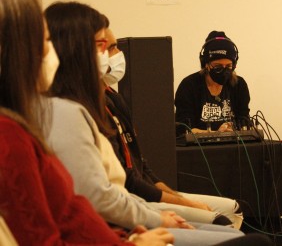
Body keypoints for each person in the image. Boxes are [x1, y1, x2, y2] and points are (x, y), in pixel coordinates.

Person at [44, 1, 245, 245]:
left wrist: (169, 204)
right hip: (120, 225)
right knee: (231, 233)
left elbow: (136, 170)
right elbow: (106, 194)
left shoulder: (109, 99)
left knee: (232, 222)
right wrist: (159, 217)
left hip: (131, 211)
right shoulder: (68, 111)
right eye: (103, 46)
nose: (113, 55)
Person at [0, 0, 174, 246]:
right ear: (20, 52)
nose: (51, 53)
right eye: (45, 42)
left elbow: (72, 212)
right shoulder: (11, 136)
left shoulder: (20, 125)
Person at [100, 21, 243, 229]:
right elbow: (128, 182)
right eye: (111, 47)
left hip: (139, 195)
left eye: (229, 67)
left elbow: (141, 167)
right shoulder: (92, 108)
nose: (118, 53)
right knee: (220, 221)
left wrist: (175, 196)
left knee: (234, 208)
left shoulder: (115, 99)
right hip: (128, 203)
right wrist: (182, 204)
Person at [175, 31, 250, 134]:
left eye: (228, 66)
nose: (224, 71)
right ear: (206, 64)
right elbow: (184, 130)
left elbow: (244, 121)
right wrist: (217, 133)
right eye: (218, 67)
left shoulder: (239, 85)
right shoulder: (189, 85)